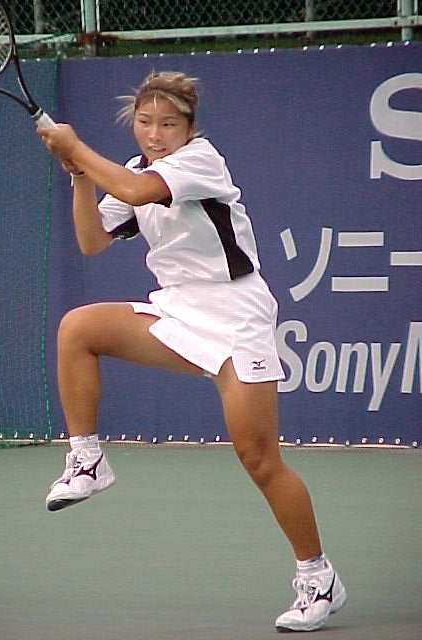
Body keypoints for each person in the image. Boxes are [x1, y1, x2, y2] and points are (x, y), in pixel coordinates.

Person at [38, 71, 346, 633]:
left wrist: (77, 148)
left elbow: (138, 193)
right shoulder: (133, 169)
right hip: (178, 311)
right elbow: (91, 240)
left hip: (238, 316)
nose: (154, 135)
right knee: (78, 329)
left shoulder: (201, 162)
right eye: (145, 123)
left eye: (168, 125)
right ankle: (87, 459)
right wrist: (79, 175)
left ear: (189, 129)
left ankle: (318, 577)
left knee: (259, 459)